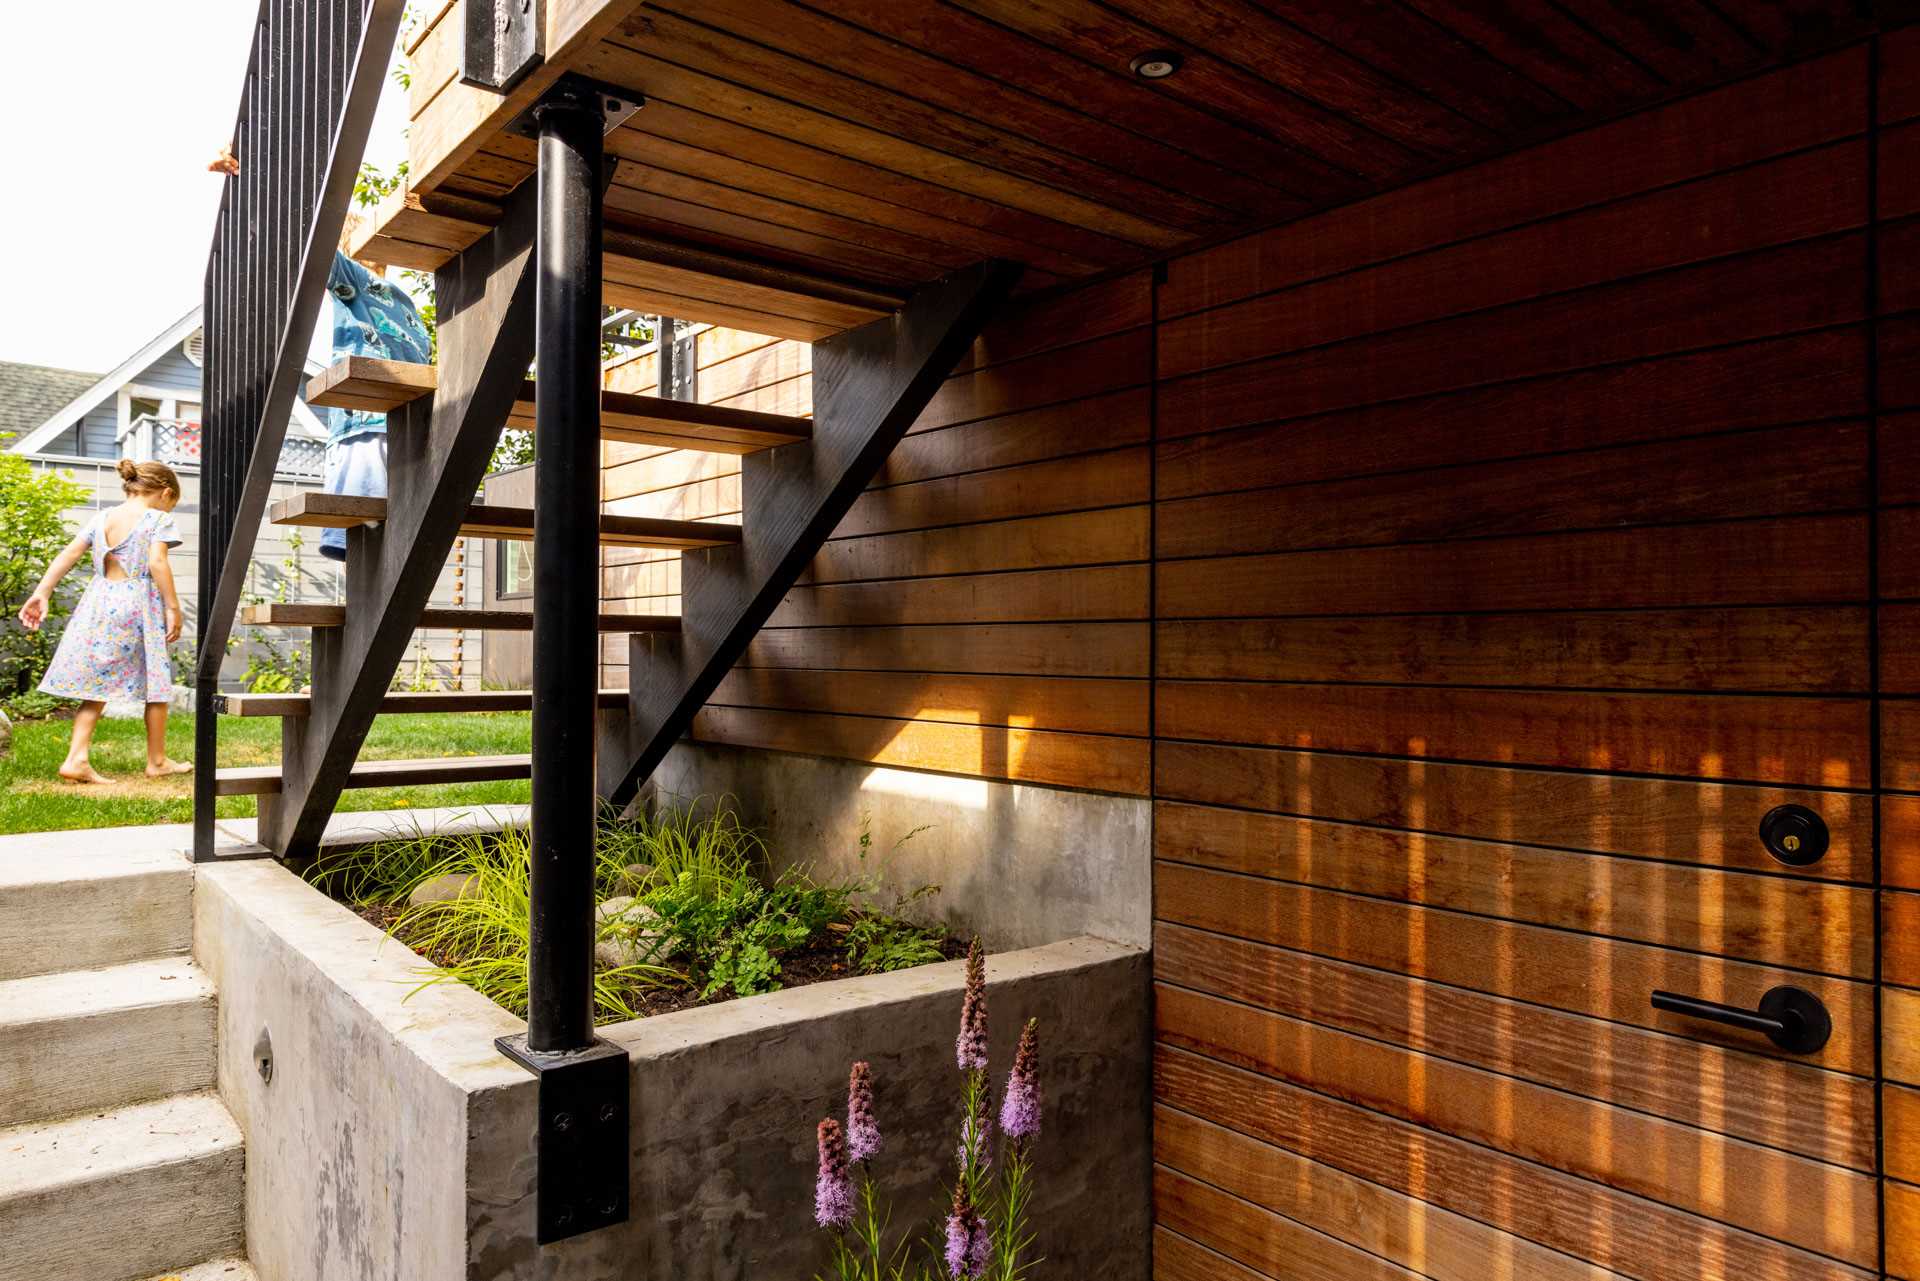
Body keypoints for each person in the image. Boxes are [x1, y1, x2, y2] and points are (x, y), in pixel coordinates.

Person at [17, 460, 193, 783]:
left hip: (99, 601)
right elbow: (156, 561)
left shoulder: (102, 518)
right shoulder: (158, 519)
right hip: (137, 605)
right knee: (157, 682)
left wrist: (42, 592)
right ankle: (157, 760)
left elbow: (68, 554)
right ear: (166, 493)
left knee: (97, 684)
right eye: (172, 503)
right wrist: (173, 607)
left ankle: (76, 758)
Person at [317, 250, 434, 561]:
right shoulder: (406, 307)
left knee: (355, 528)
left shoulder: (355, 282)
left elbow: (319, 249)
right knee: (381, 532)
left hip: (361, 425)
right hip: (397, 427)